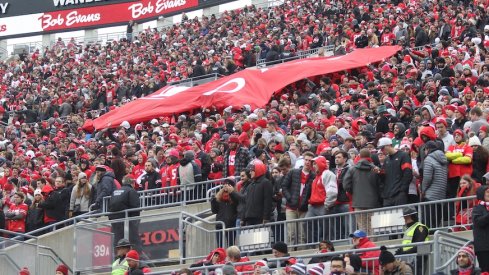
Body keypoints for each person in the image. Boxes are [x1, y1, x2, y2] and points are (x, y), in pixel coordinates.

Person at [344, 148, 382, 236]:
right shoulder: (375, 169)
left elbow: (346, 185)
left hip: (358, 202)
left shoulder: (352, 169)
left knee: (362, 227)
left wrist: (354, 192)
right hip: (373, 203)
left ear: (359, 156)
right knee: (373, 226)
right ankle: (373, 247)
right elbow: (380, 185)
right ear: (370, 156)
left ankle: (365, 246)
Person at [281, 151, 315, 246]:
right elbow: (284, 186)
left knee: (302, 235)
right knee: (291, 234)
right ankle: (290, 256)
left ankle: (301, 256)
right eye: (306, 160)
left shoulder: (313, 176)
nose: (308, 162)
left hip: (304, 209)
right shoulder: (293, 172)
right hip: (291, 207)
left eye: (310, 161)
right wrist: (289, 198)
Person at [306, 155, 337, 243]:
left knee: (325, 228)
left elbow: (332, 192)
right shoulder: (316, 177)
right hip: (313, 206)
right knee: (306, 223)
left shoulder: (328, 174)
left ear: (320, 164)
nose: (314, 166)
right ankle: (311, 244)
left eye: (315, 164)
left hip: (323, 205)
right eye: (313, 164)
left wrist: (327, 205)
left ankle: (327, 245)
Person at [108, 176, 142, 252]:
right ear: (132, 183)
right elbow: (136, 207)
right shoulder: (131, 191)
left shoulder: (115, 192)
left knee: (118, 242)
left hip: (115, 222)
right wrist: (135, 221)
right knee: (134, 241)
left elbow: (110, 207)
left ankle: (117, 258)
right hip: (128, 222)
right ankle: (138, 256)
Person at [421, 141, 448, 230]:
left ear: (428, 149)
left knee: (428, 224)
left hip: (430, 195)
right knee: (436, 223)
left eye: (424, 149)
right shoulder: (443, 158)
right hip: (441, 195)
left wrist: (423, 190)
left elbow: (427, 178)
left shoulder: (429, 159)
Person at [378, 137, 413, 206]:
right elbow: (384, 176)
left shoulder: (403, 156)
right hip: (388, 196)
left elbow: (408, 174)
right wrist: (379, 172)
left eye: (382, 148)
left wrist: (402, 191)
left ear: (389, 145)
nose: (381, 150)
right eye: (380, 149)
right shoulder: (386, 159)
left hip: (399, 195)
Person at [243, 160, 273, 225]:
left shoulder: (266, 183)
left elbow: (268, 201)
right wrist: (243, 218)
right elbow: (246, 203)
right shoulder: (250, 185)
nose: (250, 173)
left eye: (252, 170)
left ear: (258, 170)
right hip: (249, 218)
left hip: (260, 219)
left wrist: (266, 217)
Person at [211, 178, 238, 247]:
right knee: (219, 246)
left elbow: (238, 208)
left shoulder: (235, 196)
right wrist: (213, 201)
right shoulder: (219, 197)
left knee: (231, 245)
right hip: (220, 225)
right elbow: (214, 210)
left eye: (228, 184)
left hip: (231, 225)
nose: (226, 186)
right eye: (224, 184)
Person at [472, 185, 489, 272]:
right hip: (484, 248)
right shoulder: (477, 208)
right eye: (488, 192)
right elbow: (479, 222)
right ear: (482, 194)